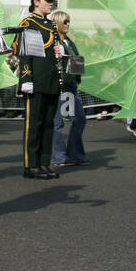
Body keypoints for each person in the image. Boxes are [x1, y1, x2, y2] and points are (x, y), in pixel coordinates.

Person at [15, 0, 62, 180]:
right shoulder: (29, 23)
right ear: (36, 2)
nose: (50, 4)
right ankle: (31, 165)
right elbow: (24, 53)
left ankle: (44, 162)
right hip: (35, 80)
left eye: (51, 1)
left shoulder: (50, 24)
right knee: (34, 123)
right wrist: (26, 77)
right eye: (47, 1)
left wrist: (60, 52)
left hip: (51, 79)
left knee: (48, 124)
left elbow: (53, 47)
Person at [51, 10, 88, 168]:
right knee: (57, 123)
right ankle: (58, 156)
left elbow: (76, 61)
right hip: (59, 86)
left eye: (68, 21)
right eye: (65, 21)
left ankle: (74, 154)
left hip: (70, 86)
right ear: (57, 23)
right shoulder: (54, 42)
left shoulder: (68, 42)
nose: (67, 24)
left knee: (79, 119)